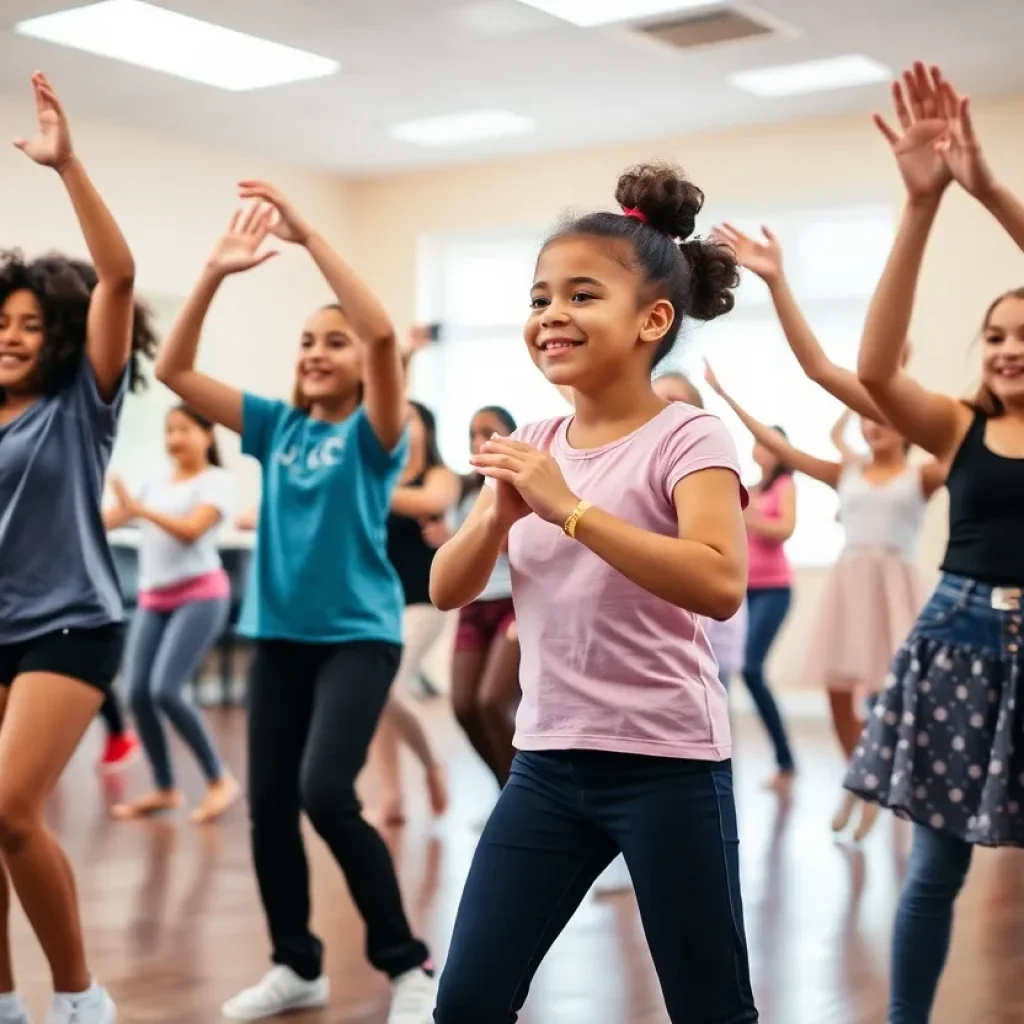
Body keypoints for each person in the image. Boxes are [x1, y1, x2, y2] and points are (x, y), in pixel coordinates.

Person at [430, 162, 758, 1023]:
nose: (551, 317)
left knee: (709, 1004)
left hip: (670, 765)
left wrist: (565, 507)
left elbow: (719, 581)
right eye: (540, 299)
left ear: (654, 320)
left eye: (581, 296)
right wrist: (497, 514)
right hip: (546, 763)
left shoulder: (690, 436)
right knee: (466, 999)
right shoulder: (532, 440)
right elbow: (445, 587)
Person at [154, 185, 435, 1023]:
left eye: (333, 342)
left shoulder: (373, 437)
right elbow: (172, 370)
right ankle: (295, 964)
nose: (318, 351)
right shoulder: (276, 427)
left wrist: (308, 234)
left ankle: (409, 966)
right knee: (269, 802)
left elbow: (383, 332)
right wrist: (212, 274)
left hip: (358, 637)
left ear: (359, 363)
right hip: (279, 635)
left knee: (325, 793)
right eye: (308, 340)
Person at [841, 62, 1024, 1023]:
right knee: (933, 872)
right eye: (996, 333)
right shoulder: (959, 427)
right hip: (959, 641)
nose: (1008, 346)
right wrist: (921, 207)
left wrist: (988, 188)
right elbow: (874, 370)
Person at [0, 71, 155, 1024]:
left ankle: (78, 997)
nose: (12, 337)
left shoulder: (77, 410)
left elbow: (123, 281)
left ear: (58, 337)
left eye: (30, 324)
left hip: (72, 624)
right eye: (1, 323)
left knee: (11, 812)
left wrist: (68, 167)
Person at [704, 363, 943, 839]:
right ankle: (860, 780)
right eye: (866, 418)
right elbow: (782, 449)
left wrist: (901, 374)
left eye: (882, 416)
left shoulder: (922, 475)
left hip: (896, 593)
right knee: (838, 693)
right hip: (849, 588)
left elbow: (962, 444)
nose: (872, 425)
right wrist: (726, 397)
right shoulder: (846, 472)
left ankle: (879, 783)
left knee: (891, 697)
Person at [102, 405, 241, 823]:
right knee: (137, 693)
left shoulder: (217, 482)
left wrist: (138, 510)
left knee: (165, 689)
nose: (174, 439)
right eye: (169, 431)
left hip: (201, 595)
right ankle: (164, 788)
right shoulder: (153, 483)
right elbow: (105, 522)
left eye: (184, 430)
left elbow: (190, 531)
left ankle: (220, 780)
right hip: (153, 598)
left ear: (207, 435)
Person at [366, 399, 458, 827]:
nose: (401, 425)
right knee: (379, 699)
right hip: (376, 604)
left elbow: (432, 499)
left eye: (411, 419)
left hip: (424, 600)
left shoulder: (438, 476)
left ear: (427, 428)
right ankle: (392, 798)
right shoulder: (374, 476)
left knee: (385, 688)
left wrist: (364, 483)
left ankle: (432, 763)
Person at [447, 405, 521, 790]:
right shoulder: (465, 491)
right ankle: (505, 787)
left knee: (492, 700)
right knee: (463, 705)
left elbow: (511, 546)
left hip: (513, 604)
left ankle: (522, 793)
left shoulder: (521, 485)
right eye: (474, 434)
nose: (480, 441)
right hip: (473, 607)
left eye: (489, 432)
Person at [731, 410, 798, 791]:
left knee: (752, 669)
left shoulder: (785, 485)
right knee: (734, 672)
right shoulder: (750, 489)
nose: (762, 449)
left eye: (769, 443)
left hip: (774, 590)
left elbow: (784, 530)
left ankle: (785, 761)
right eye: (758, 442)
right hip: (742, 591)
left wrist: (751, 517)